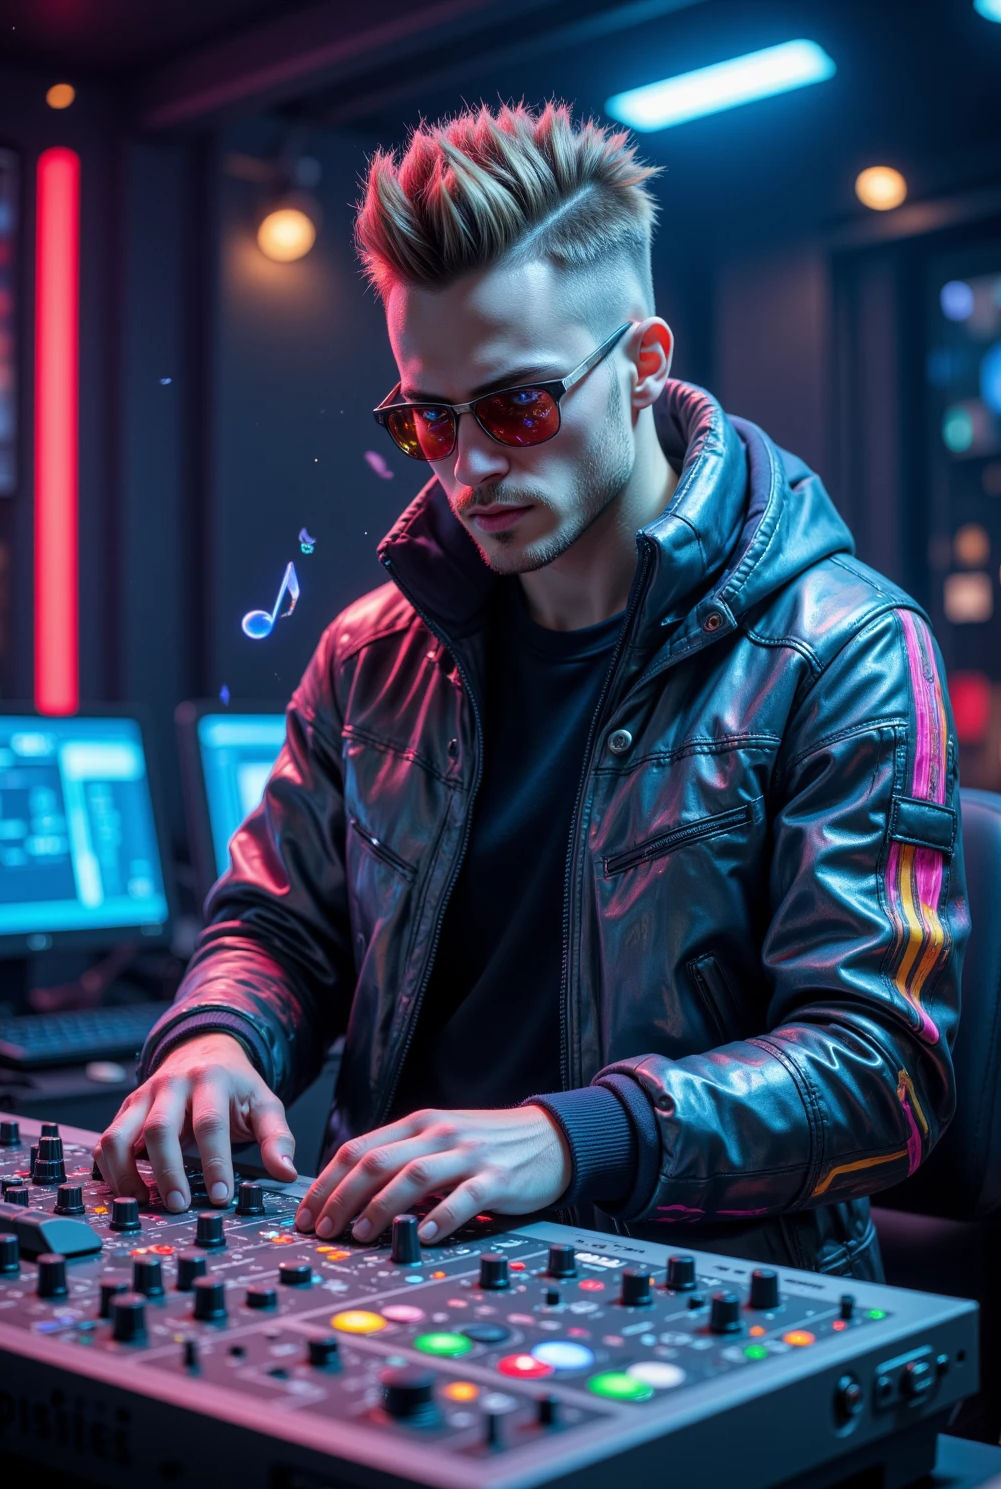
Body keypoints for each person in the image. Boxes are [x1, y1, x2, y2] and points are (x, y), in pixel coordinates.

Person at [96, 101, 967, 1278]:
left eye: (517, 406)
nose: (471, 469)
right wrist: (212, 1038)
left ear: (644, 365)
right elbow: (273, 927)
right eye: (426, 421)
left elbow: (882, 1071)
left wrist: (573, 1137)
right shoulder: (368, 651)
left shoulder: (847, 647)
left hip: (705, 1291)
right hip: (388, 1263)